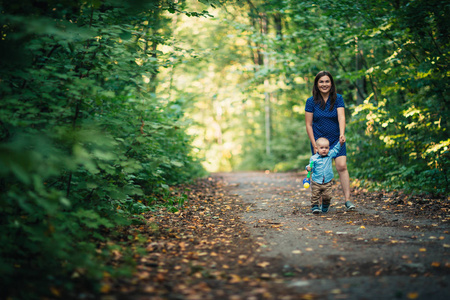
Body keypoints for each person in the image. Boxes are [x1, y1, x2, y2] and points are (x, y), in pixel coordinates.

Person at [305, 70, 355, 212]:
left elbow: (341, 117)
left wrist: (342, 134)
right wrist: (314, 143)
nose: (324, 84)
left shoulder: (338, 98)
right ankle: (320, 202)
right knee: (319, 169)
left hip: (336, 139)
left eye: (327, 81)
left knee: (342, 166)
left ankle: (347, 200)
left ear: (331, 83)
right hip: (319, 142)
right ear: (317, 84)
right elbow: (308, 124)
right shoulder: (311, 101)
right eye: (321, 81)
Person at [306, 137, 343, 214]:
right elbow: (311, 167)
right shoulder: (314, 158)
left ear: (329, 148)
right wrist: (308, 168)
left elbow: (336, 149)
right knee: (315, 195)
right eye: (322, 148)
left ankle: (325, 205)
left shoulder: (330, 155)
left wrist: (340, 143)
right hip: (316, 181)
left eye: (326, 148)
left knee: (327, 196)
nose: (324, 149)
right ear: (317, 148)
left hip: (327, 181)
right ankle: (315, 206)